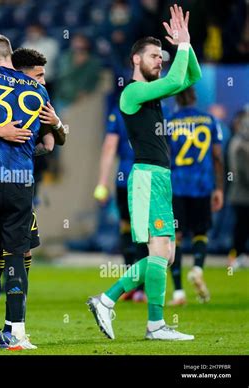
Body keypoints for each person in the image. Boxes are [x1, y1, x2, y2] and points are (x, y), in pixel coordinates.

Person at [87, 5, 200, 341]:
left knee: (164, 254)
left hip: (160, 177)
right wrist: (180, 45)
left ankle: (110, 302)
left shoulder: (153, 93)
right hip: (147, 178)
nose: (159, 60)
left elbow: (191, 77)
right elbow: (180, 78)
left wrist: (187, 44)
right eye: (153, 56)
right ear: (136, 60)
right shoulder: (132, 92)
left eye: (161, 56)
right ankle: (144, 320)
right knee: (160, 250)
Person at [0, 48, 66, 348]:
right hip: (18, 182)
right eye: (39, 74)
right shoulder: (30, 92)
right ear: (19, 71)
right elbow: (50, 144)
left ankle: (3, 329)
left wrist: (54, 123)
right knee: (3, 254)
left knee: (3, 253)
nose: (43, 81)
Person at [168, 86, 224, 305]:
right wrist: (219, 188)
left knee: (176, 236)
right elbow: (217, 157)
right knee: (201, 232)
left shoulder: (169, 123)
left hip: (177, 185)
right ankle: (198, 268)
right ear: (194, 98)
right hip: (202, 185)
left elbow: (165, 157)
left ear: (177, 100)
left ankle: (179, 293)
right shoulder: (210, 121)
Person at [94, 104, 148, 303]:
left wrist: (102, 182)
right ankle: (141, 289)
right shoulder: (158, 110)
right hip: (148, 179)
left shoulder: (119, 112)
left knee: (126, 228)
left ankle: (130, 285)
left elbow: (109, 147)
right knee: (144, 233)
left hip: (124, 178)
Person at [227, 110, 249, 269]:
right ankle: (237, 255)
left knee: (241, 226)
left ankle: (240, 255)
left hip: (240, 193)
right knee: (240, 226)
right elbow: (243, 172)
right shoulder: (241, 145)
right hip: (241, 194)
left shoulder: (237, 142)